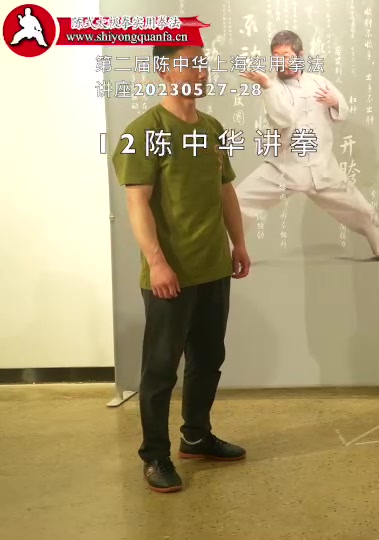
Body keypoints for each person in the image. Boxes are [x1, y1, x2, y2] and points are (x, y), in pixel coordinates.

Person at [112, 44, 250, 493]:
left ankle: (196, 436)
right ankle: (155, 455)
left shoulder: (210, 128)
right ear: (165, 73)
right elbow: (137, 202)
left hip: (213, 268)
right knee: (160, 368)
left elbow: (225, 190)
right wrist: (157, 263)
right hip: (170, 273)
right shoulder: (145, 130)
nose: (201, 72)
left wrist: (238, 243)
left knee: (208, 359)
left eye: (203, 64)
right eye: (190, 64)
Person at [236, 30, 379, 265]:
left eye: (286, 55)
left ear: (300, 55)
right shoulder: (272, 85)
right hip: (284, 166)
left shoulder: (318, 81)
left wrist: (335, 102)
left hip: (323, 167)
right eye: (276, 56)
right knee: (238, 201)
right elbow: (282, 119)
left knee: (361, 209)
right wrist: (266, 85)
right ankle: (223, 252)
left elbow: (342, 112)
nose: (281, 61)